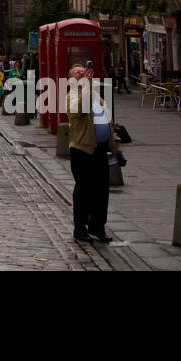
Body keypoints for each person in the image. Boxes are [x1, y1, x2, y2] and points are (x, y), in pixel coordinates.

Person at [67, 62, 120, 242]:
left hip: (100, 150)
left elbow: (106, 119)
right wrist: (87, 85)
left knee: (101, 191)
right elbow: (82, 107)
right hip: (83, 150)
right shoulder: (71, 96)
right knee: (84, 191)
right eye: (77, 73)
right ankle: (80, 228)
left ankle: (97, 226)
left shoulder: (95, 94)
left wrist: (115, 148)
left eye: (84, 71)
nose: (82, 74)